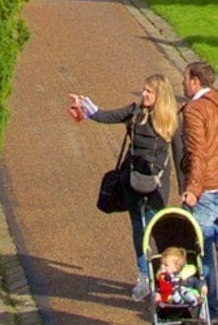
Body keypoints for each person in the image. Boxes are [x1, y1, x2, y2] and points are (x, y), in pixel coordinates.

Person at [66, 78, 179, 279]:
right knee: (138, 227)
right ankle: (144, 274)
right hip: (132, 180)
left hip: (158, 184)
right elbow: (105, 116)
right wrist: (85, 105)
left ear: (160, 97)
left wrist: (188, 189)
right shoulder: (134, 112)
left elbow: (180, 155)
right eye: (144, 90)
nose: (143, 94)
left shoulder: (172, 120)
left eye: (149, 92)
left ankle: (162, 272)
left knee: (154, 228)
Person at [175, 58, 218, 314]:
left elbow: (197, 153)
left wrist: (193, 189)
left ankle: (208, 306)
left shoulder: (195, 110)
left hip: (206, 188)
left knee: (201, 247)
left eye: (185, 78)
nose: (182, 83)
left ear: (195, 81)